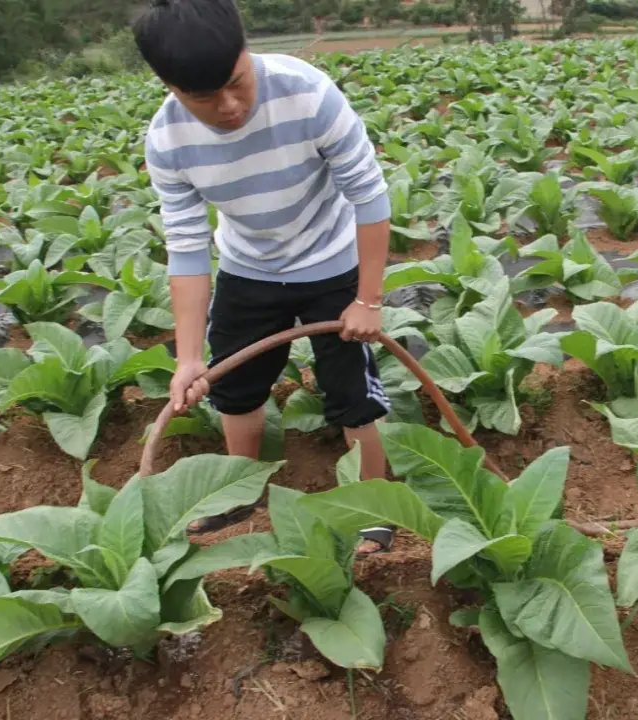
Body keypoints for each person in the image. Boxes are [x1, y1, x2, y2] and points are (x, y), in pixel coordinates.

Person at [133, 0, 396, 554]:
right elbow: (185, 250)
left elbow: (369, 197)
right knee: (234, 390)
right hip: (248, 268)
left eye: (237, 82)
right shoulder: (167, 140)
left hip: (331, 260)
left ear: (246, 51)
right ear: (169, 85)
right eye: (205, 97)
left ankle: (377, 503)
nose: (229, 106)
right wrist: (187, 357)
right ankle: (238, 491)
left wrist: (367, 302)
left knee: (353, 393)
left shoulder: (308, 92)